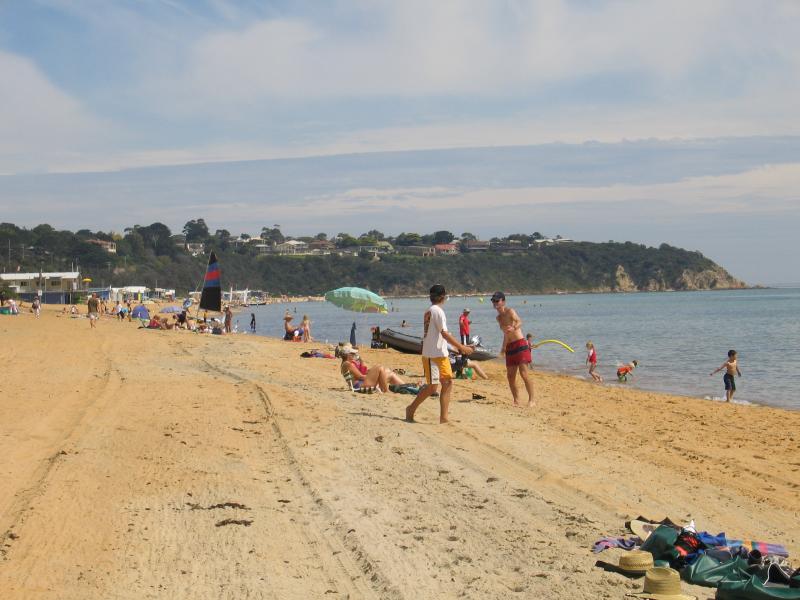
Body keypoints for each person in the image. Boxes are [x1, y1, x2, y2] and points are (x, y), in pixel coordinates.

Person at [405, 284, 473, 424]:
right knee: (432, 387)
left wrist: (455, 348)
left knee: (447, 383)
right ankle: (411, 409)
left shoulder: (430, 310)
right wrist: (461, 347)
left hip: (440, 353)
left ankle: (444, 418)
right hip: (432, 354)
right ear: (443, 296)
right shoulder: (437, 311)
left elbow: (437, 334)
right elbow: (444, 333)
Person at [492, 291, 534, 407]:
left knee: (524, 374)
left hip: (520, 344)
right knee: (510, 377)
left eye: (497, 300)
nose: (495, 303)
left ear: (503, 301)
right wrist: (503, 348)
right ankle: (516, 400)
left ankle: (531, 400)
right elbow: (505, 334)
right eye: (493, 301)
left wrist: (514, 327)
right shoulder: (498, 318)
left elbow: (520, 321)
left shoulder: (510, 311)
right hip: (510, 347)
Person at [340, 345, 405, 392]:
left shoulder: (346, 364)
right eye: (352, 354)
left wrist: (373, 374)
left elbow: (358, 376)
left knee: (389, 373)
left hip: (361, 383)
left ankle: (406, 387)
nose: (354, 355)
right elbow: (360, 377)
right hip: (360, 385)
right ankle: (386, 391)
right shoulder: (347, 364)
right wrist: (374, 375)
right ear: (348, 355)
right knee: (379, 367)